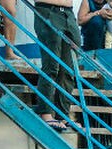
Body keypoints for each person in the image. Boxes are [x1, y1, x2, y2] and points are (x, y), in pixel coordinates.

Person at [32, 0, 81, 132]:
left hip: (68, 13)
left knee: (67, 70)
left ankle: (63, 115)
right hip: (48, 10)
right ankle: (45, 113)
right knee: (51, 66)